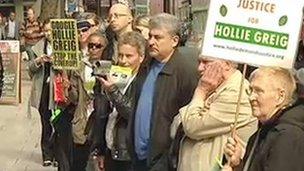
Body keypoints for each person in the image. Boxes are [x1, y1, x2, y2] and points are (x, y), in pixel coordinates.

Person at [128, 13, 198, 171]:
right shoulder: (147, 65)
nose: (151, 42)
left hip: (163, 161)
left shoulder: (185, 71)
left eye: (158, 37)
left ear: (174, 41)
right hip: (139, 158)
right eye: (150, 36)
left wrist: (170, 156)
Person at [175, 57, 257, 171]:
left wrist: (200, 92)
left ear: (227, 64)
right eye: (199, 62)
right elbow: (176, 125)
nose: (199, 68)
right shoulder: (214, 85)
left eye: (206, 62)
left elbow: (191, 127)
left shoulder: (237, 93)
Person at [223, 67, 304, 171]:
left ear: (280, 96)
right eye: (250, 90)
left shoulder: (288, 136)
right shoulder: (264, 131)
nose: (251, 97)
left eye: (258, 91)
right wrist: (237, 164)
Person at [93, 31, 146, 171]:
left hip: (128, 154)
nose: (123, 60)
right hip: (111, 150)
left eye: (129, 56)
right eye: (121, 55)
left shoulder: (144, 82)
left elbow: (132, 113)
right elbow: (102, 115)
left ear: (141, 57)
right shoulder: (114, 75)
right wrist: (100, 150)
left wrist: (113, 91)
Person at [28, 19, 56, 167]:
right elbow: (30, 70)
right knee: (45, 122)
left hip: (58, 89)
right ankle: (46, 154)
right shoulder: (37, 47)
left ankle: (57, 152)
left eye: (50, 30)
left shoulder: (63, 45)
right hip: (43, 90)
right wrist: (39, 61)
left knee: (58, 122)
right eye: (45, 30)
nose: (48, 33)